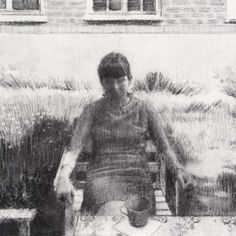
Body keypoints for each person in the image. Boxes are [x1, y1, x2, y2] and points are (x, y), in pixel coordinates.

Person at [53, 52, 194, 216]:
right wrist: (63, 176)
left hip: (137, 180)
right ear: (102, 83)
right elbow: (74, 149)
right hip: (102, 179)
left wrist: (178, 170)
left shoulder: (145, 109)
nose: (115, 86)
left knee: (133, 216)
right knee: (112, 213)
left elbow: (164, 148)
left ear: (130, 80)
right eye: (108, 81)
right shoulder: (92, 110)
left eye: (121, 80)